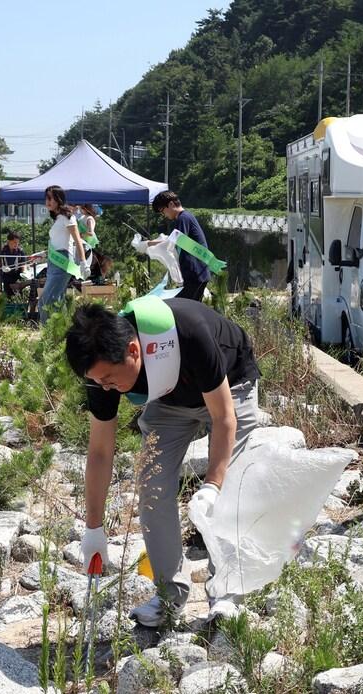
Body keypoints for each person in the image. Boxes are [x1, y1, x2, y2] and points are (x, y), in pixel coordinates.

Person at [66, 297, 261, 626]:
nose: (105, 387)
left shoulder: (189, 332)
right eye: (98, 381)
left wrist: (212, 485)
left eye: (110, 379)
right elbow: (100, 451)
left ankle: (227, 595)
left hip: (231, 385)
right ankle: (170, 596)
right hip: (170, 401)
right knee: (152, 486)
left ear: (133, 350)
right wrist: (93, 529)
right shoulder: (101, 371)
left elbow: (224, 417)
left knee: (231, 488)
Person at [38, 185, 87, 322]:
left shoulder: (68, 218)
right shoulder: (59, 218)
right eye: (46, 198)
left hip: (62, 262)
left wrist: (83, 262)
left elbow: (77, 240)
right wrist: (43, 254)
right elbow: (58, 241)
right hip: (54, 262)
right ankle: (63, 331)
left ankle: (47, 333)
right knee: (57, 301)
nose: (47, 201)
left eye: (50, 198)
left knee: (45, 302)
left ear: (58, 199)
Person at [151, 191, 211, 302]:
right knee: (190, 308)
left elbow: (173, 242)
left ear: (171, 205)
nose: (164, 215)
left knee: (184, 308)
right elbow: (173, 240)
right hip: (197, 273)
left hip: (195, 273)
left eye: (163, 211)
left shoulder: (182, 219)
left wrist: (148, 245)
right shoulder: (186, 217)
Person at [0, 231, 26, 299]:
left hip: (16, 274)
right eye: (14, 242)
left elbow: (23, 265)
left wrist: (23, 274)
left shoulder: (20, 251)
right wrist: (1, 267)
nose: (16, 244)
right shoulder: (2, 250)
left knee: (19, 292)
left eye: (17, 243)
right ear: (9, 241)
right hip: (4, 274)